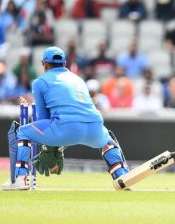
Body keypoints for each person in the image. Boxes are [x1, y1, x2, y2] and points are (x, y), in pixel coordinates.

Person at [2, 46, 129, 190]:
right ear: (64, 63)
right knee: (108, 141)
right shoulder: (78, 79)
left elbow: (44, 118)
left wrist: (49, 148)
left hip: (65, 128)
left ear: (45, 64)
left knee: (22, 132)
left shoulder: (40, 82)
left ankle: (19, 179)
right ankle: (122, 176)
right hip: (95, 127)